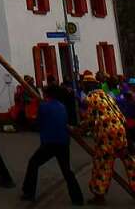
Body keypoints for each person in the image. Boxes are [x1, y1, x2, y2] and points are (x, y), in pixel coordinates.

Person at [77, 70, 135, 205]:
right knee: (130, 162)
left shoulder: (91, 99)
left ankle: (99, 194)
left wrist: (80, 128)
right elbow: (120, 114)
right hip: (121, 131)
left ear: (87, 87)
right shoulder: (108, 97)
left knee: (102, 165)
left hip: (106, 135)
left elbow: (90, 120)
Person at [20, 84, 84, 205]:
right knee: (66, 170)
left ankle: (29, 192)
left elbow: (39, 123)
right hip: (63, 142)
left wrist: (31, 121)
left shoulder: (44, 106)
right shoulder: (62, 106)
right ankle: (77, 198)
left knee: (33, 163)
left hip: (49, 142)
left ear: (47, 94)